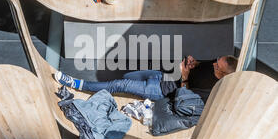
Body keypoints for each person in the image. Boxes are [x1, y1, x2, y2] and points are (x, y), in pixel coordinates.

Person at [54, 55, 238, 103]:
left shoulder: (212, 87)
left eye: (217, 66)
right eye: (216, 60)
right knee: (126, 77)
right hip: (160, 75)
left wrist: (185, 76)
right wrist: (192, 62)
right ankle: (109, 90)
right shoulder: (213, 63)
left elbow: (185, 95)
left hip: (159, 90)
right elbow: (198, 64)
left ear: (222, 73)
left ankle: (77, 84)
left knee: (118, 84)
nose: (214, 63)